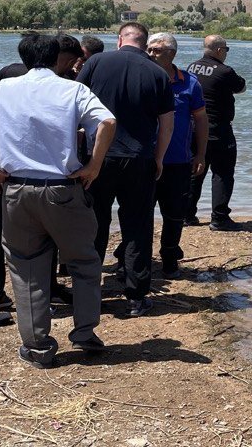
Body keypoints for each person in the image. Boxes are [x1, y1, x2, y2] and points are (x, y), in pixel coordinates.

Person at [0, 34, 117, 368]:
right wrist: (94, 166)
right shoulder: (73, 89)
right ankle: (85, 333)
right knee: (84, 263)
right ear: (58, 58)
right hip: (63, 190)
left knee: (27, 268)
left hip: (16, 191)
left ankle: (38, 346)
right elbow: (108, 122)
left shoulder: (4, 88)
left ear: (23, 57)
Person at [0, 32, 75, 312]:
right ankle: (47, 290)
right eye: (72, 63)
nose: (73, 69)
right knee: (44, 231)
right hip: (36, 170)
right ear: (59, 58)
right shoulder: (61, 85)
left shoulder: (9, 75)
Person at [76, 22, 174, 316]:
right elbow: (167, 124)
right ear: (144, 44)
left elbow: (74, 106)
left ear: (120, 40)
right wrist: (159, 159)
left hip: (99, 158)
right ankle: (136, 296)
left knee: (94, 223)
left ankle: (89, 291)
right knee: (137, 227)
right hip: (139, 158)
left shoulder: (95, 62)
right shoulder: (159, 73)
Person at [144, 32, 208, 279]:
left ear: (171, 53)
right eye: (149, 49)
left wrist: (201, 153)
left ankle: (169, 257)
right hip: (146, 161)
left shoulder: (189, 83)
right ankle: (138, 259)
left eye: (156, 50)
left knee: (174, 214)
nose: (150, 53)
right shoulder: (143, 79)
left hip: (178, 162)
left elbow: (202, 120)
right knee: (140, 213)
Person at [185, 35, 246, 231]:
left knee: (195, 171)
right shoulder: (224, 71)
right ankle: (219, 218)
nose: (226, 53)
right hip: (218, 129)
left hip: (193, 128)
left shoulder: (191, 67)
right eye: (226, 50)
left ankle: (187, 215)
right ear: (219, 50)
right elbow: (241, 87)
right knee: (223, 173)